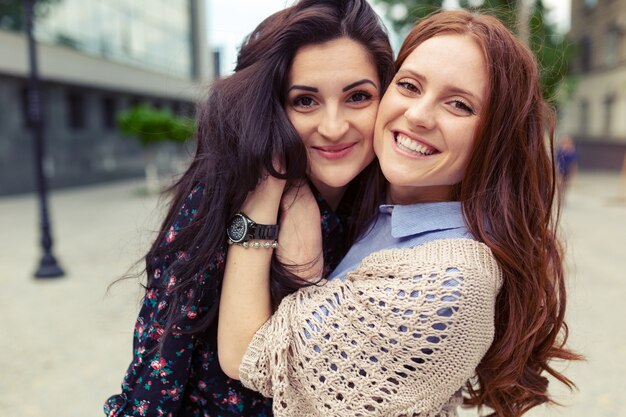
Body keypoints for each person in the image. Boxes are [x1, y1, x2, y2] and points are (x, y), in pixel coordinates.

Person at [217, 9, 580, 417]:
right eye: (409, 86)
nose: (419, 115)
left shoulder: (451, 278)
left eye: (459, 105)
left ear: (494, 138)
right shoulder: (375, 205)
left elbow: (250, 353)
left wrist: (268, 191)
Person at [104, 1, 394, 416]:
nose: (333, 127)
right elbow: (157, 372)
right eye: (305, 101)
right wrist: (264, 209)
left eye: (358, 97)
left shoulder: (387, 204)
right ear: (273, 107)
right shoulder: (222, 193)